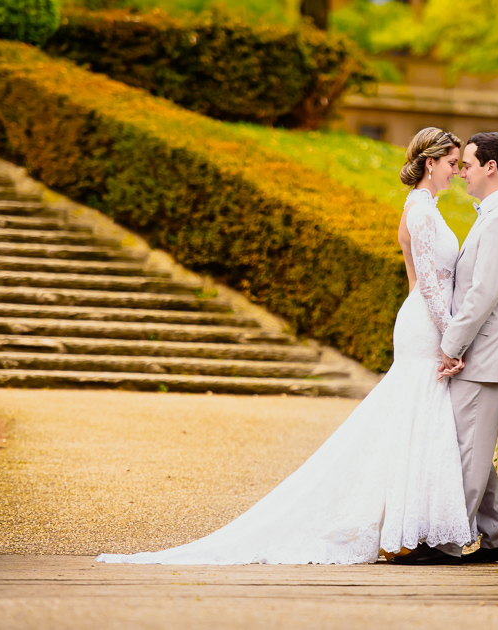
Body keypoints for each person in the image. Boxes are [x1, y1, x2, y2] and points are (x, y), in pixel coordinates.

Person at [97, 127, 474, 565]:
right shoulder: (423, 212)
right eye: (451, 164)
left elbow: (417, 282)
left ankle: (409, 527)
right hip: (426, 324)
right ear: (431, 163)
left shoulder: (420, 206)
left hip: (419, 320)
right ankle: (408, 529)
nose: (455, 171)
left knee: (412, 420)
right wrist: (450, 339)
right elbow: (427, 283)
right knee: (414, 416)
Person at [392, 132, 498, 566]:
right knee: (467, 446)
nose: (462, 172)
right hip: (477, 355)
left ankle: (446, 544)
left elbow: (483, 295)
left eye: (467, 164)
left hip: (484, 356)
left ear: (491, 166)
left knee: (466, 451)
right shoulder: (493, 215)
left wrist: (450, 345)